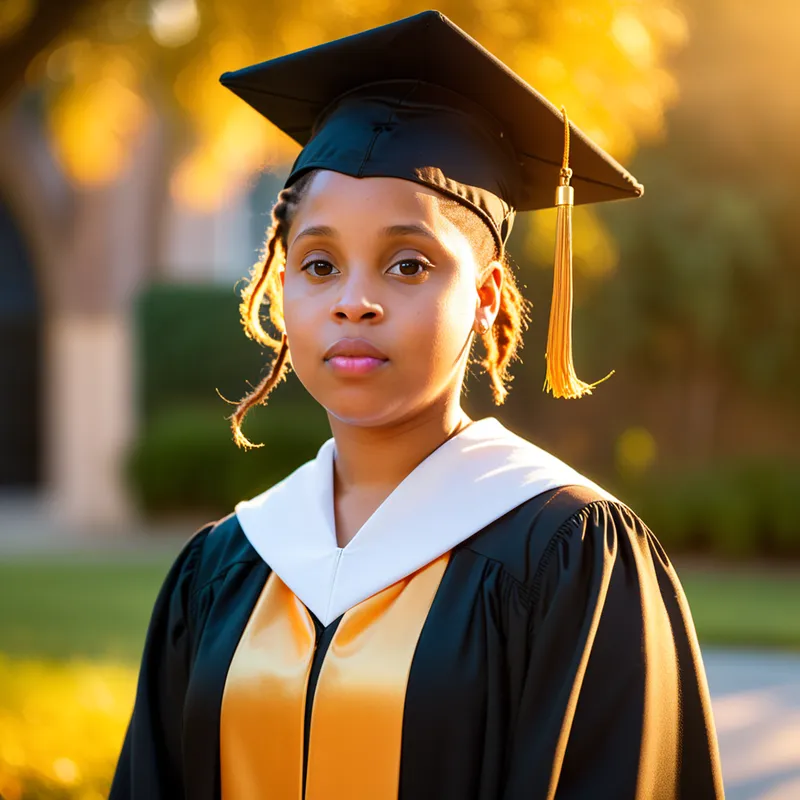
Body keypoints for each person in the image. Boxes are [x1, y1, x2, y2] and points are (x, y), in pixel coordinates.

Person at [110, 10, 724, 800]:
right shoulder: (224, 567)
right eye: (320, 264)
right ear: (281, 285)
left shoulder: (569, 558)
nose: (353, 301)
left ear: (487, 295)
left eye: (407, 264)